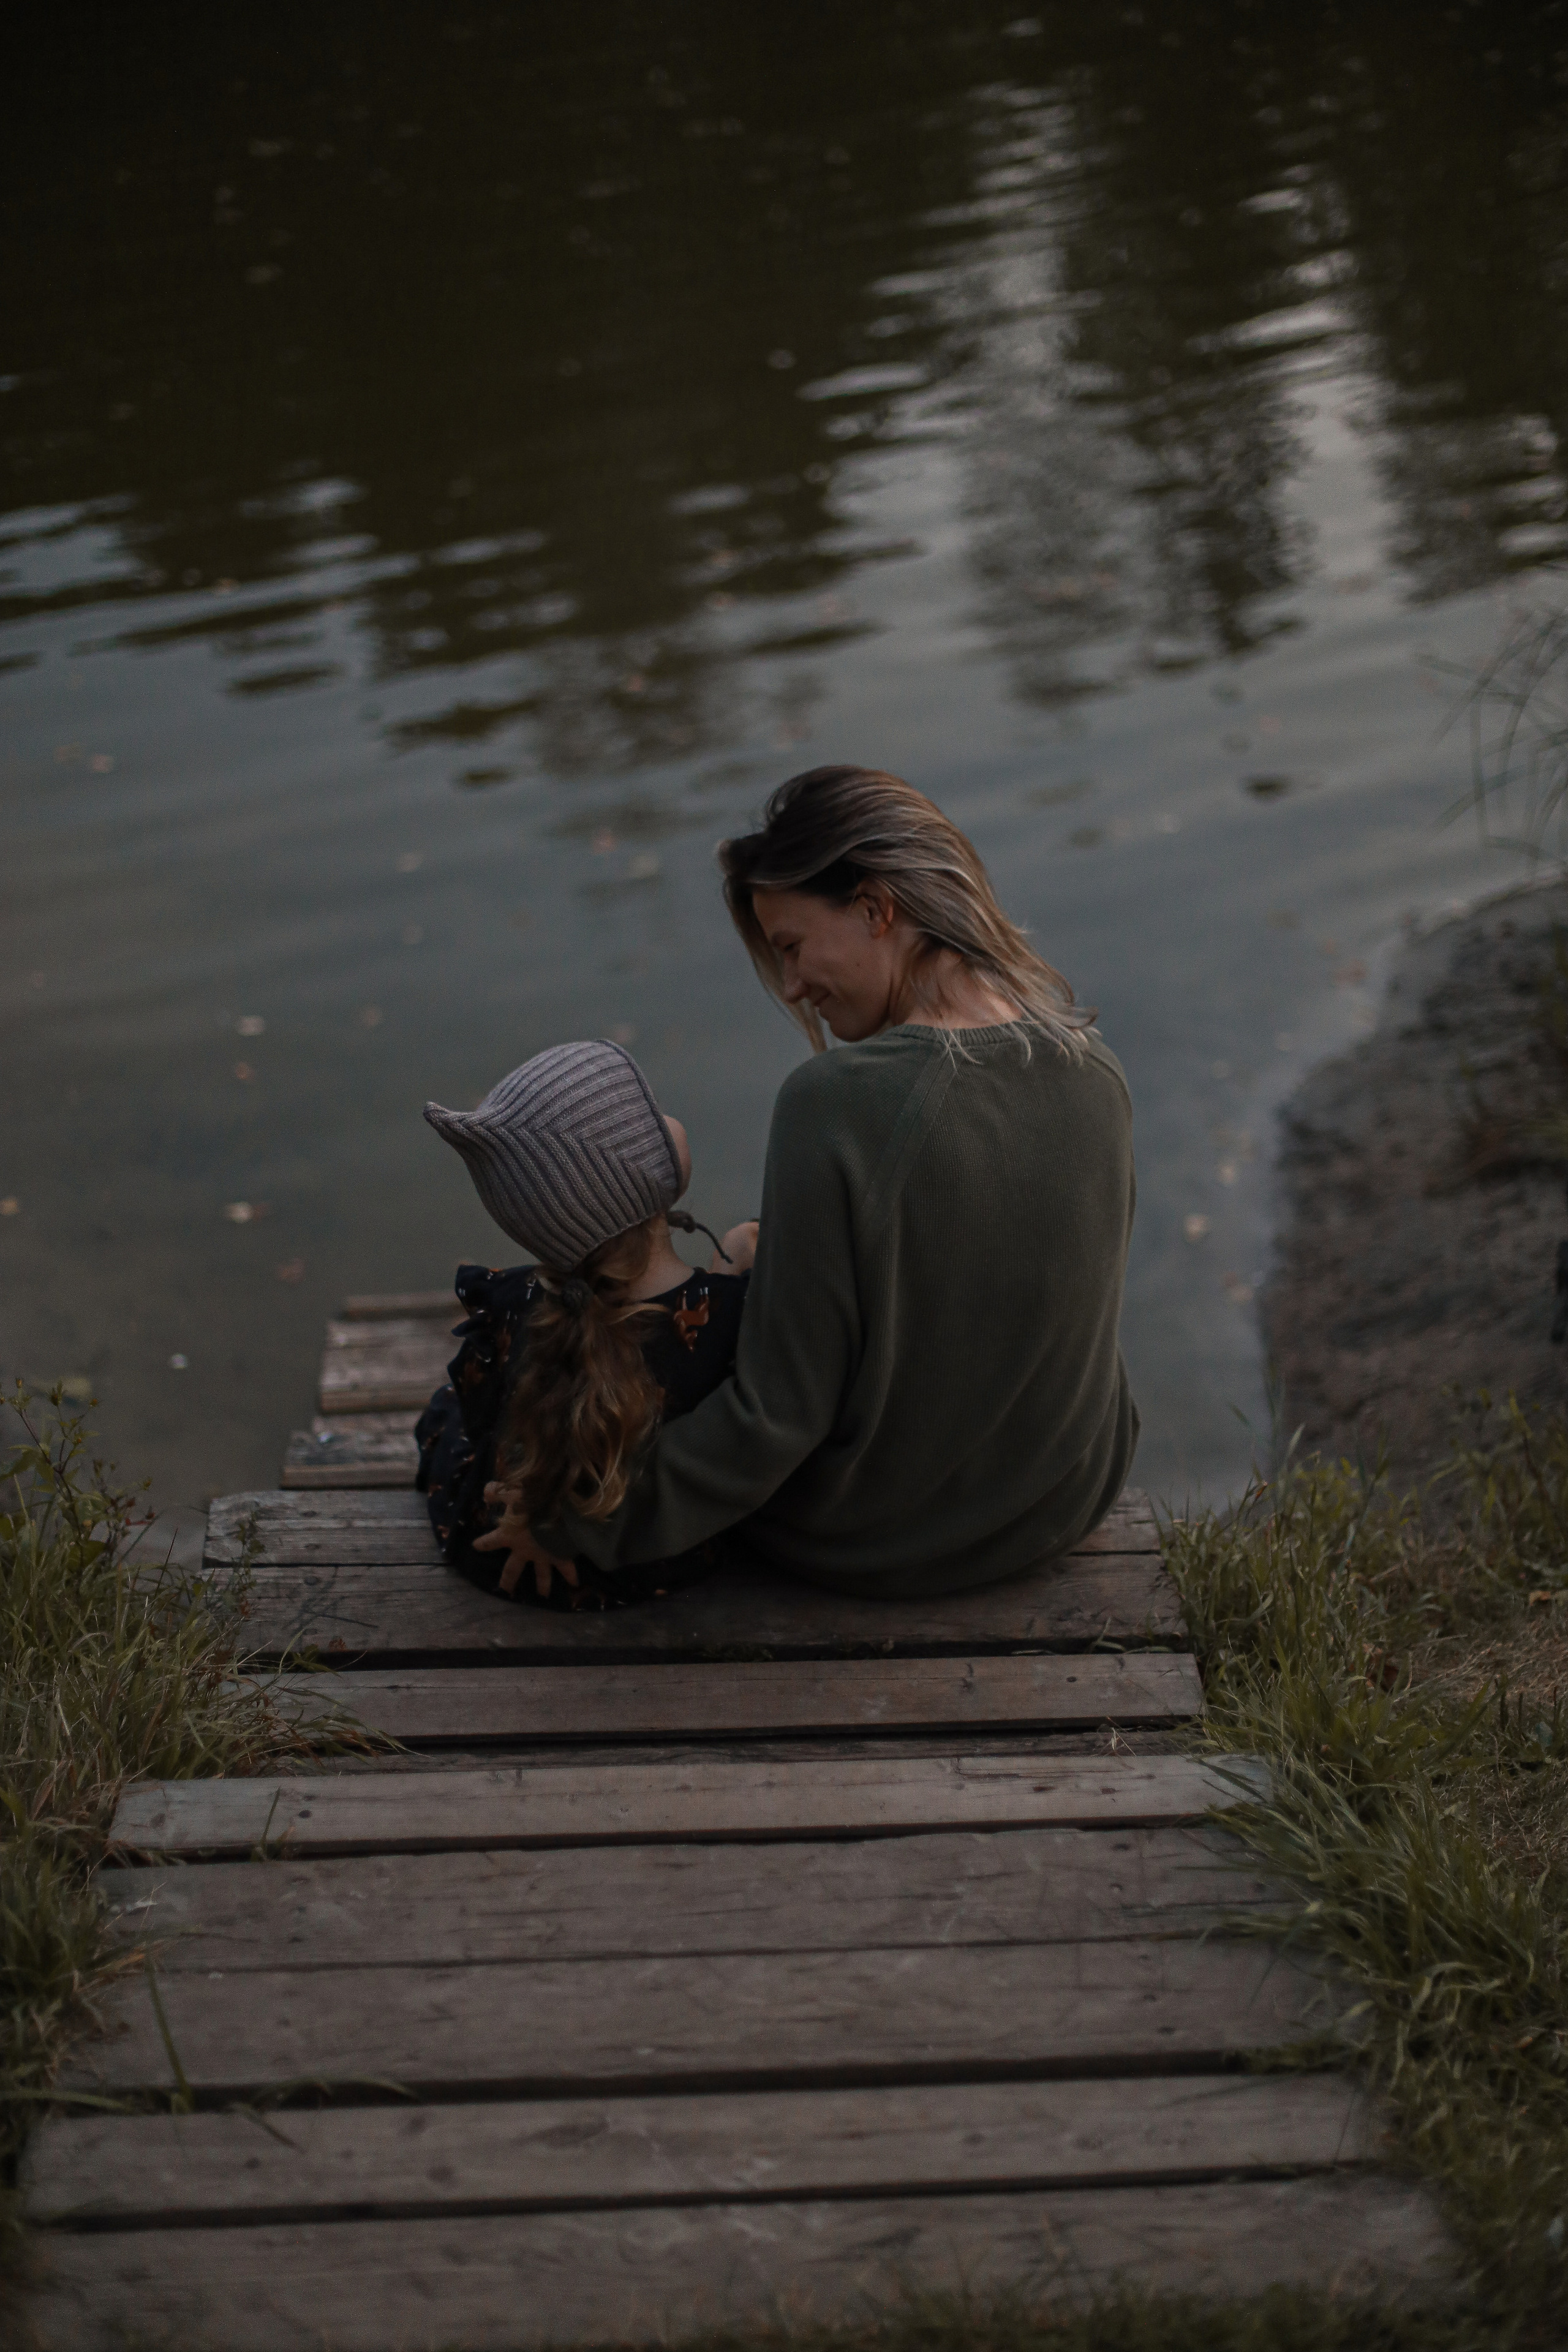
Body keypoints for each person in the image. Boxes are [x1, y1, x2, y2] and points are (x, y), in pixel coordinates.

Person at [484, 762, 1140, 1604]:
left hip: (886, 1541)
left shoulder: (832, 1103)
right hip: (1062, 1501)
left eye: (791, 947)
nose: (791, 985)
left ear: (875, 908)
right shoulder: (1097, 1070)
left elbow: (774, 1418)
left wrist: (580, 1520)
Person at [413, 1039, 755, 1608]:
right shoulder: (724, 1318)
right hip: (652, 1566)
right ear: (632, 1179)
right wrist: (738, 1256)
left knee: (450, 1409)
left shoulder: (520, 1302)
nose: (669, 1120)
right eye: (651, 1116)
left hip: (498, 1556)